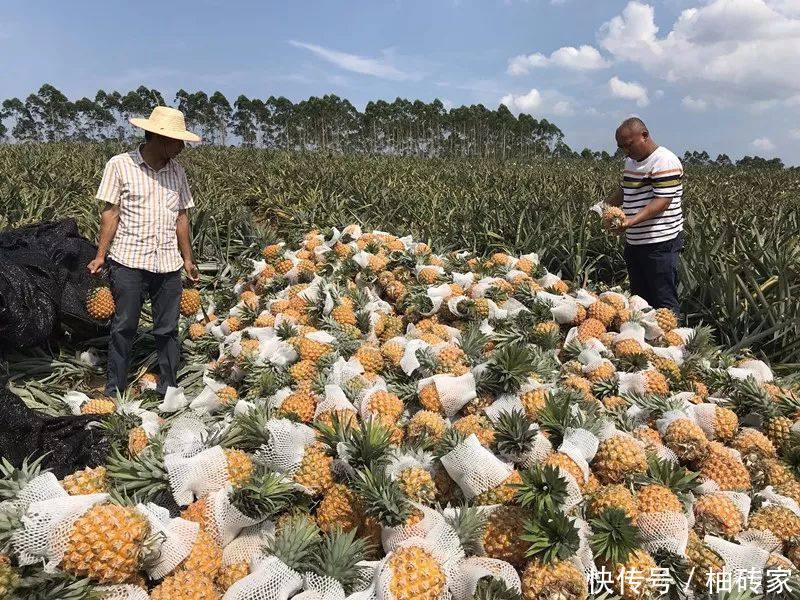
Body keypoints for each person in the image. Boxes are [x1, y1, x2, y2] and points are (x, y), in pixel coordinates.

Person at [87, 106, 201, 398]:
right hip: (128, 260)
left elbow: (181, 218)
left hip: (167, 263)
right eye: (178, 141)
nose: (182, 147)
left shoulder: (178, 172)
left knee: (167, 330)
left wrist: (187, 259)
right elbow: (110, 213)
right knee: (124, 327)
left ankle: (169, 388)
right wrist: (101, 255)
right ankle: (115, 390)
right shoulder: (120, 165)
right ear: (160, 138)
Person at [604, 117, 684, 316]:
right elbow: (625, 190)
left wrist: (630, 222)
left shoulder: (664, 160)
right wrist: (603, 207)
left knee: (663, 301)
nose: (625, 151)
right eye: (621, 147)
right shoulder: (630, 162)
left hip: (659, 243)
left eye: (628, 145)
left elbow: (662, 202)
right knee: (640, 300)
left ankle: (674, 344)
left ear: (644, 136)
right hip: (635, 243)